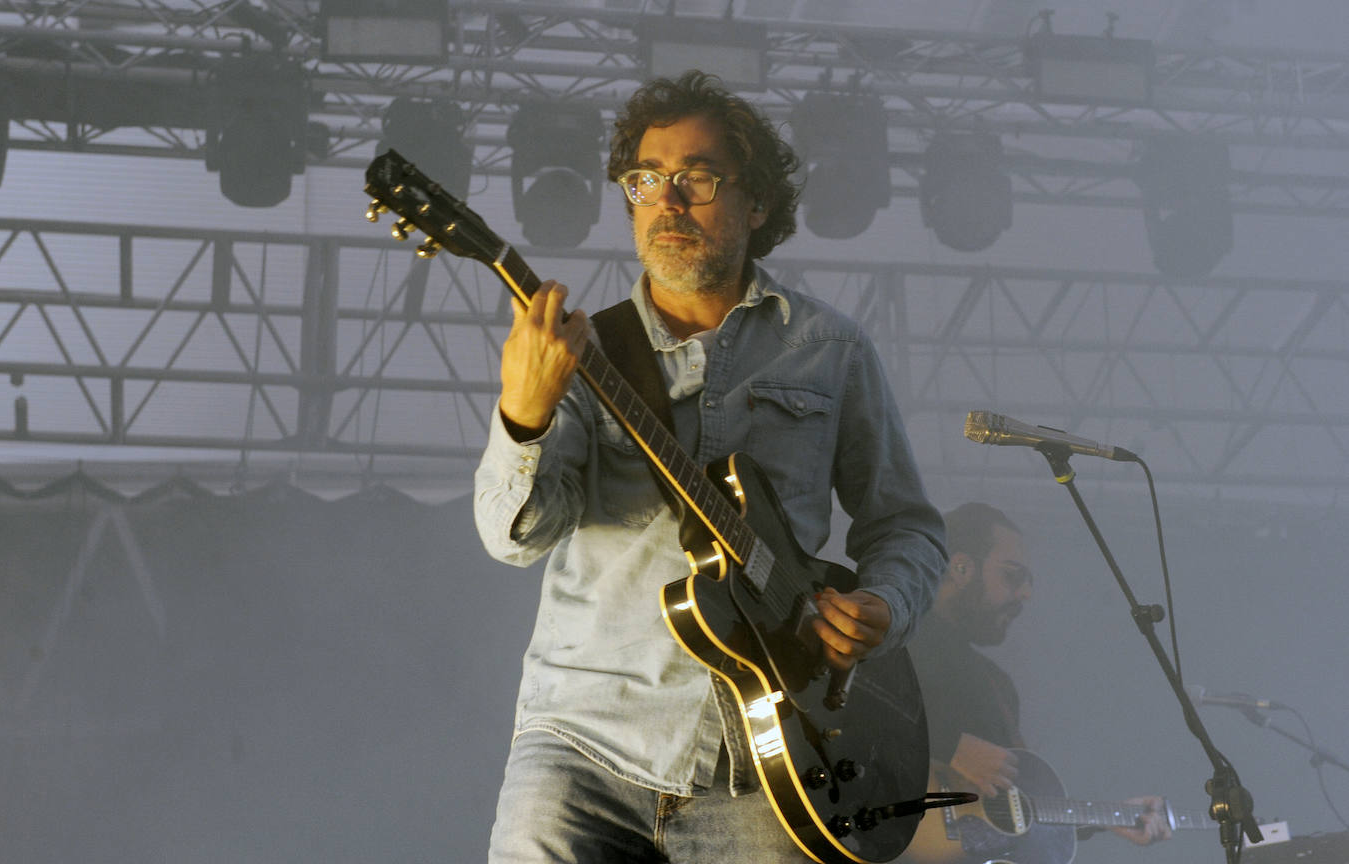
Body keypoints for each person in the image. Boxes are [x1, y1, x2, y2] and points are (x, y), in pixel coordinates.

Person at [473, 71, 946, 863]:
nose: (667, 200)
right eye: (645, 179)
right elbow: (515, 537)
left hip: (770, 763)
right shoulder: (586, 357)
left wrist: (882, 608)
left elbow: (906, 529)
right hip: (582, 744)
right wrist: (523, 416)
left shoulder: (830, 349)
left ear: (756, 204)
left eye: (696, 177)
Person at [907, 501, 1172, 853]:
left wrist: (1109, 817)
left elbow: (1011, 812)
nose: (1026, 594)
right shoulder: (894, 638)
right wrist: (951, 746)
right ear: (961, 567)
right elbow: (846, 720)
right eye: (1012, 575)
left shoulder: (996, 684)